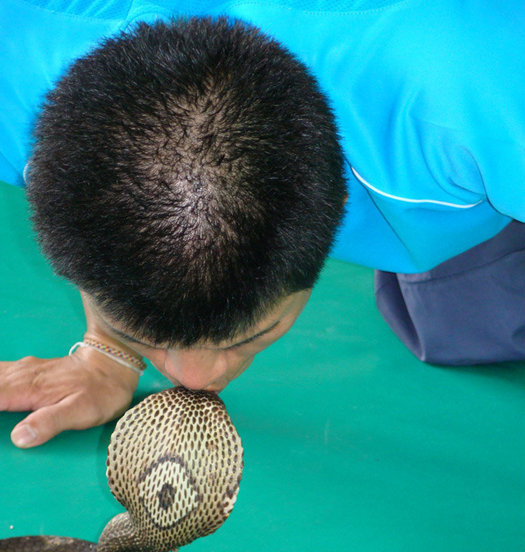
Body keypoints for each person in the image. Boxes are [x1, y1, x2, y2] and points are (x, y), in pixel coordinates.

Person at [0, 0, 524, 449]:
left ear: (342, 202)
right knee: (463, 327)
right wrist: (110, 346)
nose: (193, 380)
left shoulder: (483, 89)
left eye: (244, 337)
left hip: (460, 112)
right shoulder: (23, 65)